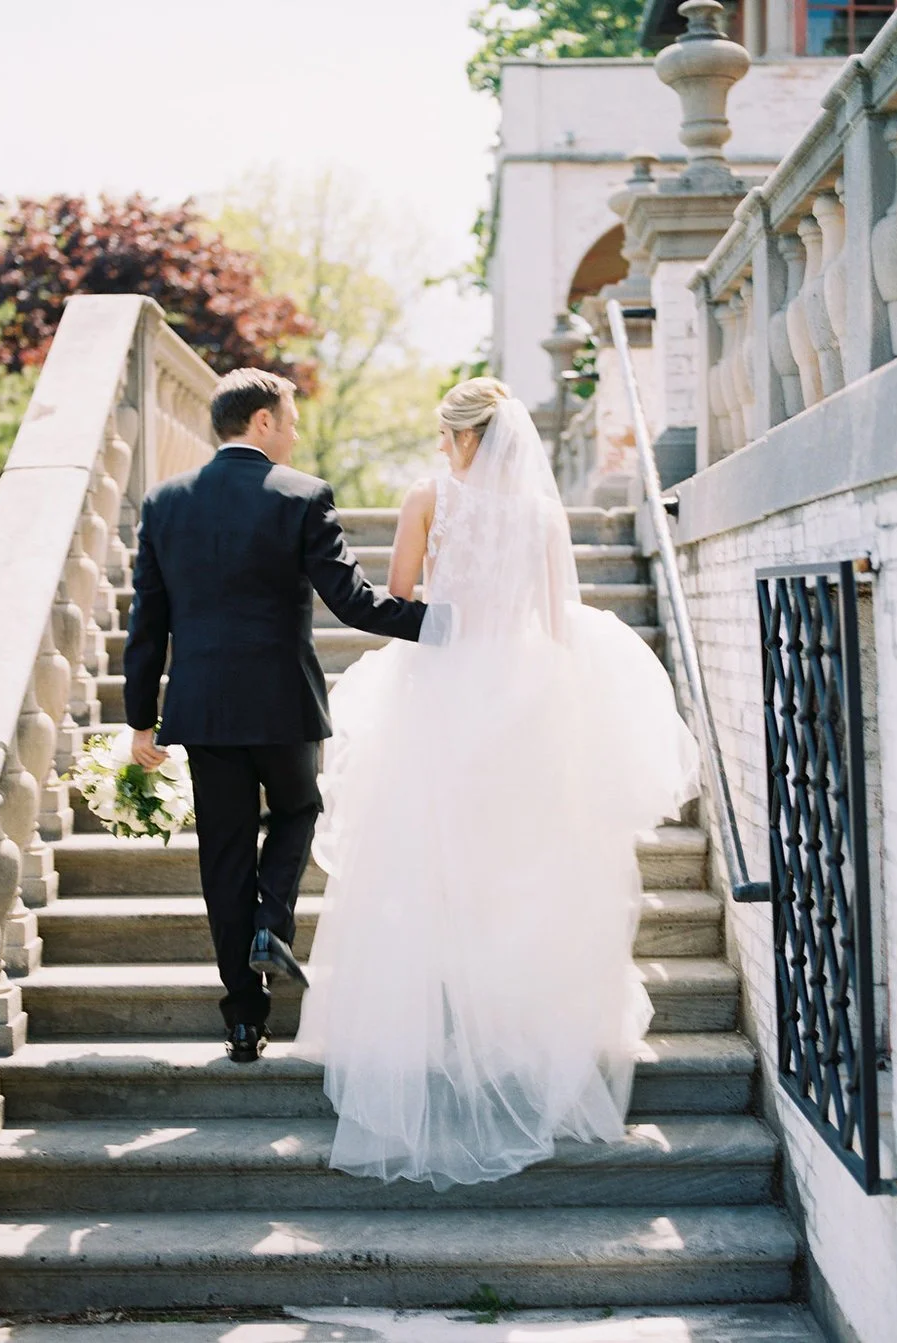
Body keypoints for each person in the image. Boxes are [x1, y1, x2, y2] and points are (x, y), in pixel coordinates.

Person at [293, 376, 701, 1190]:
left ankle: (438, 1020)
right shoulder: (542, 512)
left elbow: (402, 597)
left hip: (442, 686)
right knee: (522, 861)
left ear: (459, 435)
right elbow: (557, 620)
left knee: (427, 858)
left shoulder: (427, 497)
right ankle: (513, 1026)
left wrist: (453, 612)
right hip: (520, 695)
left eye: (447, 435)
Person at [123, 368, 426, 1063]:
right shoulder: (302, 495)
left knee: (224, 856)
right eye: (288, 418)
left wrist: (141, 716)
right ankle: (272, 924)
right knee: (297, 809)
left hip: (202, 711)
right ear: (261, 421)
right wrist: (446, 623)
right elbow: (353, 602)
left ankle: (242, 1019)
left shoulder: (164, 503)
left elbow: (148, 621)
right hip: (283, 704)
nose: (293, 431)